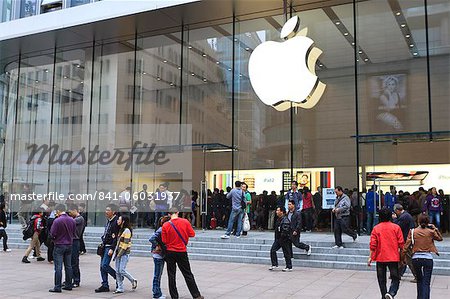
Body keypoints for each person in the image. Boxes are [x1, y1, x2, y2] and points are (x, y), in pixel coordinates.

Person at [162, 209, 203, 299]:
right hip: (182, 251)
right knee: (187, 274)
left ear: (169, 214)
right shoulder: (185, 222)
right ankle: (196, 295)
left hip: (170, 252)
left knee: (171, 275)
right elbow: (192, 234)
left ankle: (174, 296)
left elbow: (164, 241)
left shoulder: (165, 225)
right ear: (177, 212)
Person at [403, 214, 443, 299]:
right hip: (428, 258)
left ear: (418, 221)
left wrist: (402, 257)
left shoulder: (413, 231)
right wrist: (435, 228)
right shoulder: (431, 232)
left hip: (416, 258)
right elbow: (440, 238)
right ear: (428, 222)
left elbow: (406, 246)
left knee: (419, 280)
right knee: (426, 282)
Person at [368, 208, 404, 299]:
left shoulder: (376, 228)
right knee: (395, 277)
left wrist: (370, 257)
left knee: (381, 279)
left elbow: (373, 245)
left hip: (380, 257)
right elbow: (401, 243)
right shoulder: (396, 227)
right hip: (393, 257)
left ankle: (384, 296)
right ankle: (391, 293)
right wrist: (402, 256)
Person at [49, 204, 76, 293]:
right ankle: (69, 284)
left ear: (58, 211)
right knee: (68, 266)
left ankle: (57, 286)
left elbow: (52, 234)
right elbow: (73, 232)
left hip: (59, 244)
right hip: (69, 245)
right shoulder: (72, 220)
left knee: (58, 267)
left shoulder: (57, 221)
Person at [95, 204, 119, 293]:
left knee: (105, 265)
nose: (106, 212)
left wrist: (112, 248)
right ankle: (105, 285)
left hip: (110, 246)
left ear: (113, 212)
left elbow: (115, 237)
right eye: (106, 210)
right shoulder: (109, 221)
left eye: (108, 210)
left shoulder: (116, 222)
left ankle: (118, 277)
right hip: (105, 245)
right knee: (102, 267)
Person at [113, 215, 137, 294]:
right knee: (117, 271)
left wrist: (119, 254)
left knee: (121, 270)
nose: (117, 221)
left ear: (123, 221)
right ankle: (120, 288)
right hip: (119, 253)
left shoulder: (126, 231)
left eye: (119, 220)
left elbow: (125, 244)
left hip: (124, 254)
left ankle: (133, 280)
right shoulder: (121, 230)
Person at [392, 204, 416, 280]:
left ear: (397, 210)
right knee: (401, 258)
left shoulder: (404, 217)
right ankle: (398, 274)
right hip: (406, 240)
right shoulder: (406, 215)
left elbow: (397, 227)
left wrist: (395, 219)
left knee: (408, 259)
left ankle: (417, 276)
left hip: (406, 241)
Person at [149, 215, 171, 299]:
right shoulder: (161, 229)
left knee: (158, 274)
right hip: (158, 255)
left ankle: (157, 292)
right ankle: (156, 293)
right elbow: (151, 239)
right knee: (157, 275)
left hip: (160, 255)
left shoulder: (163, 229)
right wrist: (157, 245)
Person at [269, 206, 292, 272]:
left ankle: (289, 266)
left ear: (282, 212)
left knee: (286, 253)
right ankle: (274, 264)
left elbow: (285, 231)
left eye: (278, 210)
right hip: (278, 239)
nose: (277, 212)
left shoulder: (285, 220)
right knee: (273, 250)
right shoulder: (279, 219)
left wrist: (282, 238)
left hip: (284, 239)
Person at [68, 204, 85, 288]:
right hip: (70, 241)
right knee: (69, 262)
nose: (69, 213)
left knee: (74, 262)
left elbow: (70, 222)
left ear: (75, 210)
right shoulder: (74, 218)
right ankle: (69, 279)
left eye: (70, 211)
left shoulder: (80, 219)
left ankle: (76, 280)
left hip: (75, 241)